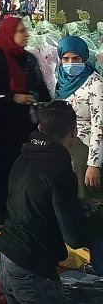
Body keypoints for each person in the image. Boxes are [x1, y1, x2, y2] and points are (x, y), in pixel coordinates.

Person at [0, 100, 103, 304]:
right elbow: (74, 237)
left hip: (3, 257)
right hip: (30, 267)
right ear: (72, 132)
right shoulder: (59, 169)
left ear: (40, 129)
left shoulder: (22, 159)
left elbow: (34, 205)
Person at [0, 16, 50, 230]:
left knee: (22, 171)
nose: (25, 35)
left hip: (24, 126)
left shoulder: (29, 59)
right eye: (20, 31)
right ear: (8, 34)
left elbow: (41, 88)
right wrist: (11, 97)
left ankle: (18, 214)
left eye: (25, 31)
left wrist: (38, 101)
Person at [54, 35, 103, 198]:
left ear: (84, 57)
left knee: (81, 197)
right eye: (65, 58)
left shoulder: (95, 84)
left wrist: (93, 164)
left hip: (85, 148)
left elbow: (99, 125)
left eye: (76, 58)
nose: (70, 63)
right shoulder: (61, 80)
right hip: (62, 146)